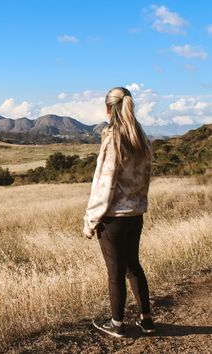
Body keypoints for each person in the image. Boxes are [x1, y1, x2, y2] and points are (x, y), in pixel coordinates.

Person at [83, 86, 156, 338]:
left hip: (113, 219)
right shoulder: (142, 137)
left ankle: (117, 324)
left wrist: (91, 220)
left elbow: (104, 183)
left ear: (107, 108)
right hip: (136, 215)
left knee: (115, 274)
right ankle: (147, 321)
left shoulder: (112, 137)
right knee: (134, 267)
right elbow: (144, 179)